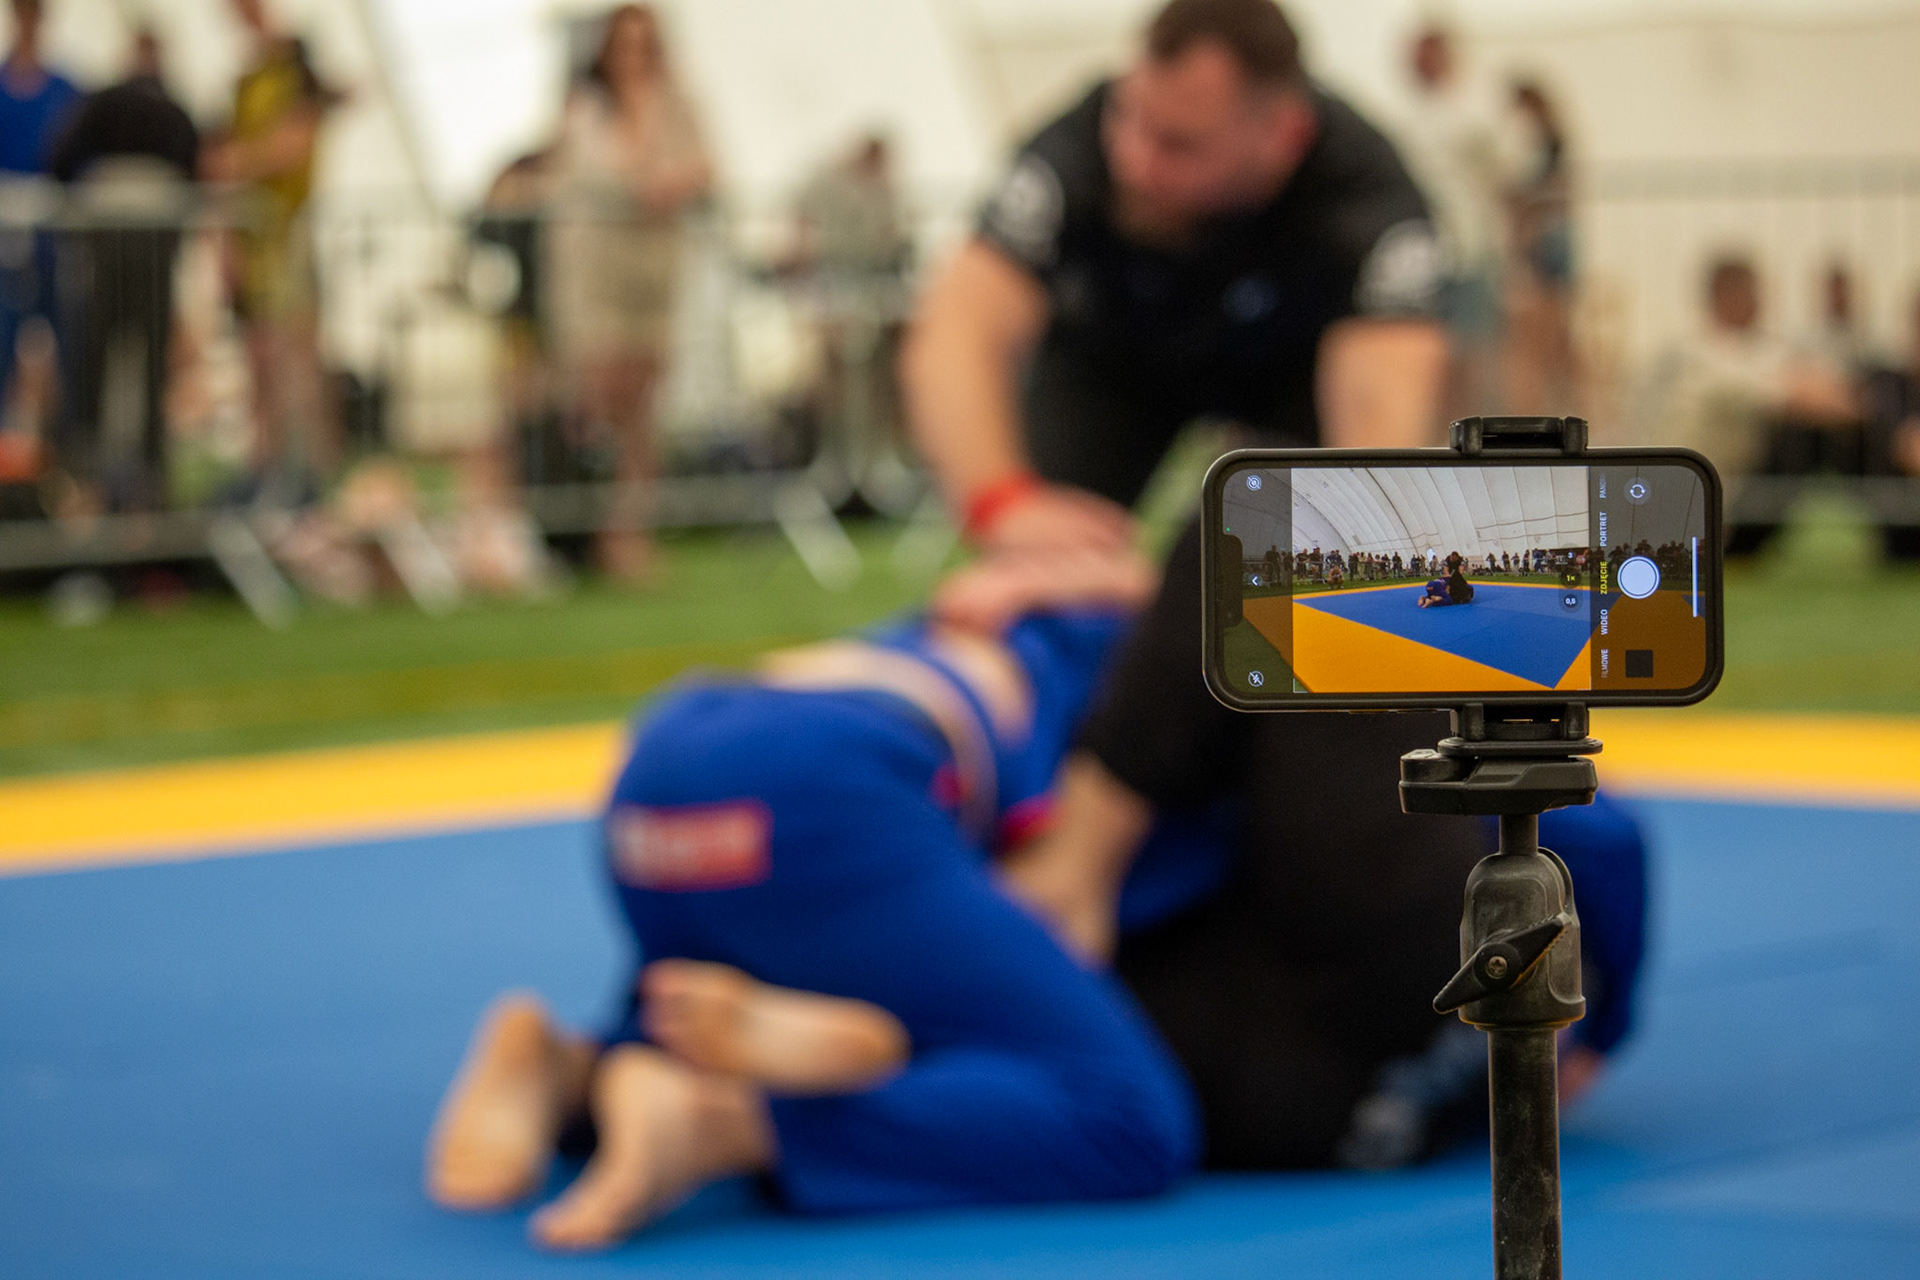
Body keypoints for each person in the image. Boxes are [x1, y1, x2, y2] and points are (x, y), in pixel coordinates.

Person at [425, 551, 1199, 1250]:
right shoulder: (1168, 662)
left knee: (746, 985)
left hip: (665, 767)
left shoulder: (1037, 613)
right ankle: (721, 1119)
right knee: (1121, 1117)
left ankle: (571, 1071)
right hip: (826, 789)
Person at [544, 3, 712, 582]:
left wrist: (670, 184)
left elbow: (705, 165)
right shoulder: (585, 107)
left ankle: (628, 531)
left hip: (655, 264)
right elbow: (572, 179)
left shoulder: (676, 101)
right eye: (624, 44)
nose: (634, 56)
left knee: (643, 403)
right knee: (598, 393)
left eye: (644, 44)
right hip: (596, 266)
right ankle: (579, 531)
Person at [45, 27, 198, 512]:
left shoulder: (116, 106)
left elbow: (60, 159)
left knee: (119, 353)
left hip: (122, 241)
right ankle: (104, 470)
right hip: (130, 243)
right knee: (111, 353)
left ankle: (123, 471)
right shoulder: (164, 111)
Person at [202, 0, 339, 496]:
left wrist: (239, 161)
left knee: (298, 360)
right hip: (252, 242)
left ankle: (312, 481)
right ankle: (268, 476)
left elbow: (291, 146)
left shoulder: (296, 69)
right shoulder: (246, 81)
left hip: (289, 234)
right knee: (260, 363)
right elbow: (218, 161)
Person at [1396, 22, 1505, 417]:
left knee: (1471, 348)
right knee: (1432, 350)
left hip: (1469, 247)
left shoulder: (1472, 111)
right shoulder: (1407, 118)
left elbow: (1502, 168)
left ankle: (1470, 424)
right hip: (1427, 251)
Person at [0, 0, 81, 450]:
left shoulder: (66, 91)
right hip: (4, 247)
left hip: (53, 247)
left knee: (66, 350)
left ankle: (62, 450)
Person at [1501, 78, 1577, 415]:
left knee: (1547, 326)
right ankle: (1563, 397)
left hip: (1545, 239)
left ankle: (1551, 399)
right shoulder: (1550, 139)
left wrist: (1524, 230)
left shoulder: (1539, 141)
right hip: (1551, 236)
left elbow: (1536, 193)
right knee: (1555, 326)